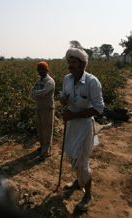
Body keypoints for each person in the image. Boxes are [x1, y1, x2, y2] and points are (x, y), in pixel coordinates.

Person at [60, 45, 104, 210]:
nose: (70, 65)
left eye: (73, 62)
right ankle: (78, 182)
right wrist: (63, 100)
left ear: (83, 64)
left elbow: (99, 109)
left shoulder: (92, 82)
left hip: (85, 127)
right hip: (71, 125)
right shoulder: (67, 79)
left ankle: (88, 195)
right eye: (69, 62)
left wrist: (74, 115)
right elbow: (63, 95)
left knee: (82, 162)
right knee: (72, 156)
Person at [31, 61, 55, 161]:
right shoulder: (38, 81)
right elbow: (31, 93)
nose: (40, 71)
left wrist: (35, 93)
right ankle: (42, 147)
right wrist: (35, 93)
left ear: (46, 70)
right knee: (40, 129)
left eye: (42, 69)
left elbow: (43, 93)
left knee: (47, 130)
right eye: (39, 69)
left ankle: (46, 152)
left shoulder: (50, 81)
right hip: (39, 107)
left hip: (47, 108)